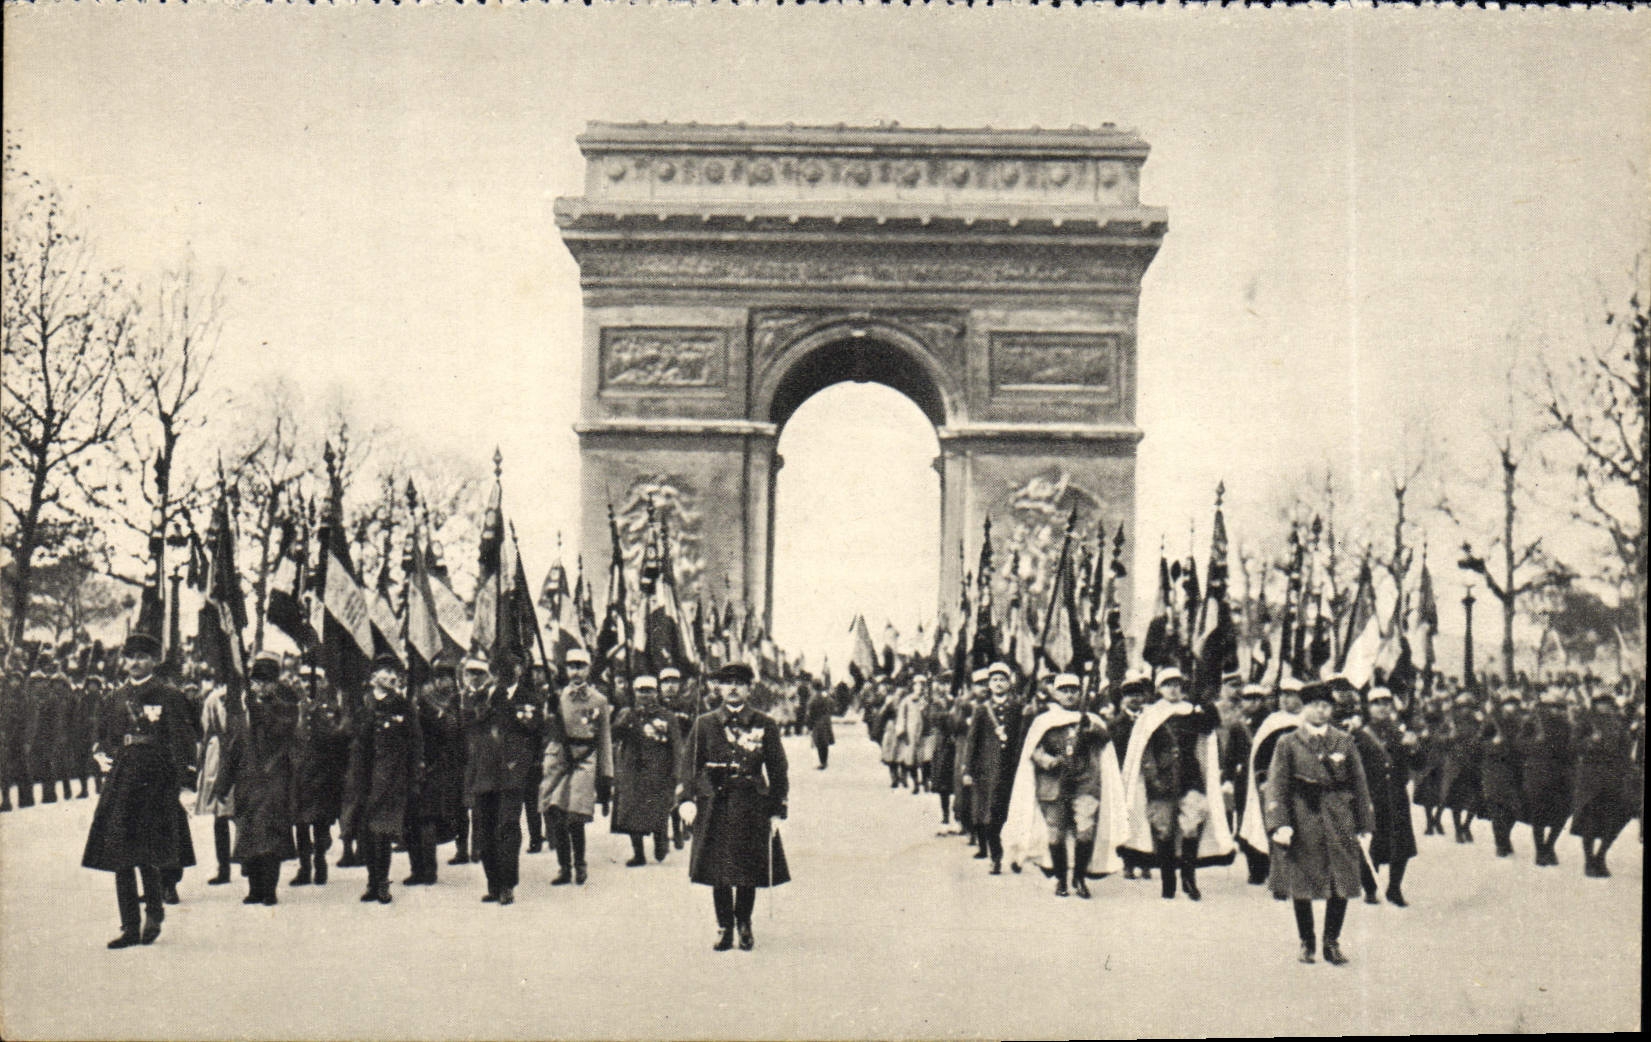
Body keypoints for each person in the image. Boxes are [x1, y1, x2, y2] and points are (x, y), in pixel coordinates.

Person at [81, 632, 198, 949]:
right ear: (123, 661)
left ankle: (154, 913)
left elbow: (182, 742)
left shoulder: (168, 695)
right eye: (130, 657)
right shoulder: (114, 698)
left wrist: (174, 781)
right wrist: (106, 764)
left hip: (155, 782)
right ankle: (129, 926)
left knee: (147, 852)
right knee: (120, 853)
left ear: (154, 660)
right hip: (122, 780)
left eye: (143, 657)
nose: (135, 663)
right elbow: (103, 739)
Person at [680, 662, 789, 952]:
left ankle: (744, 923)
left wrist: (778, 808)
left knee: (747, 868)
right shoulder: (705, 724)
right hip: (715, 803)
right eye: (726, 683)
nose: (732, 689)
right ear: (718, 688)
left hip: (751, 803)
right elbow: (689, 766)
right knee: (718, 869)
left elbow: (778, 769)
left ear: (749, 688)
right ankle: (724, 926)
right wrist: (687, 800)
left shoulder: (764, 724)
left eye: (740, 683)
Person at [1264, 681, 1374, 966]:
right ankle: (1307, 941)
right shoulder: (1287, 743)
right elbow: (1277, 785)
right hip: (1303, 817)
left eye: (1326, 706)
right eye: (1314, 705)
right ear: (1304, 708)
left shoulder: (1344, 741)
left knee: (1342, 879)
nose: (1320, 711)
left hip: (1339, 817)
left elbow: (1360, 784)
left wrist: (1365, 822)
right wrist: (1280, 823)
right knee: (1301, 880)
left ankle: (1331, 942)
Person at [1001, 673, 1126, 898]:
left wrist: (1092, 731)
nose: (1069, 694)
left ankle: (1079, 877)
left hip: (1085, 783)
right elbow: (1033, 751)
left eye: (1073, 690)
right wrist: (1049, 761)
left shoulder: (1091, 719)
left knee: (1085, 831)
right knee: (1055, 835)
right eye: (1064, 690)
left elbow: (1105, 742)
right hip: (1053, 784)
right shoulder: (1044, 721)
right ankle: (1060, 878)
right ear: (1055, 693)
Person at [1117, 667, 1234, 901]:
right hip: (1161, 779)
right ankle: (1168, 882)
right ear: (1159, 689)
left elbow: (1210, 728)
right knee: (1164, 830)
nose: (1173, 689)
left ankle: (1189, 880)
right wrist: (1152, 776)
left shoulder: (1191, 712)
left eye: (1177, 684)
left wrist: (1206, 705)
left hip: (1190, 778)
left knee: (1191, 825)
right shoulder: (1149, 716)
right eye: (1168, 684)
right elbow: (1144, 751)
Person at [216, 652, 299, 907]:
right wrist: (223, 783)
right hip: (247, 782)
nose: (261, 686)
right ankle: (254, 888)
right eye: (257, 682)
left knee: (270, 838)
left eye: (267, 682)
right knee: (248, 836)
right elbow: (233, 749)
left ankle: (269, 889)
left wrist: (260, 710)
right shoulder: (242, 714)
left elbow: (280, 730)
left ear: (276, 684)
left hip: (274, 780)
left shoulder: (286, 707)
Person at [465, 655, 541, 905]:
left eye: (512, 668)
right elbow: (472, 728)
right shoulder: (484, 697)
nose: (505, 674)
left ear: (520, 670)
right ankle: (493, 884)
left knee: (507, 827)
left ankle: (507, 883)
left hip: (513, 773)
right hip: (486, 772)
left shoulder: (528, 698)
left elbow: (531, 729)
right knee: (485, 829)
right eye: (499, 670)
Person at [351, 653, 422, 905]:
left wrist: (414, 777)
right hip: (364, 779)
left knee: (382, 831)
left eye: (394, 672)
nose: (391, 676)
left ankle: (382, 883)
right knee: (368, 833)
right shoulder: (363, 704)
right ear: (373, 678)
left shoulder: (403, 706)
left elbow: (415, 745)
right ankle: (372, 881)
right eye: (385, 672)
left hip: (392, 779)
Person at [539, 647, 613, 887]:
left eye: (581, 666)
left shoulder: (598, 700)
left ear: (589, 669)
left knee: (575, 815)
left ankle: (580, 864)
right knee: (556, 811)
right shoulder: (556, 696)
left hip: (584, 758)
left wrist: (606, 775)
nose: (576, 672)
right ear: (566, 669)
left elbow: (604, 739)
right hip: (560, 758)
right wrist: (549, 713)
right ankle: (564, 867)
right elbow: (546, 731)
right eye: (572, 666)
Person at [406, 655, 466, 886]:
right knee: (411, 819)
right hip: (412, 767)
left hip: (436, 767)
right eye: (438, 677)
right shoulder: (413, 705)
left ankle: (428, 870)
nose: (442, 682)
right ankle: (416, 869)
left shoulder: (447, 705)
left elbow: (451, 731)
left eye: (447, 677)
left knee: (426, 818)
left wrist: (430, 712)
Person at [611, 674, 683, 866]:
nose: (645, 695)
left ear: (656, 692)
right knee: (631, 813)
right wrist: (621, 720)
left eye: (649, 691)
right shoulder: (628, 715)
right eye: (641, 691)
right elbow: (614, 735)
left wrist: (676, 773)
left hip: (658, 772)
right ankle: (639, 853)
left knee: (658, 811)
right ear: (634, 693)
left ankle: (660, 842)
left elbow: (677, 747)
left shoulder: (667, 717)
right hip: (632, 772)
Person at [290, 662, 349, 887]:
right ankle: (305, 867)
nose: (307, 685)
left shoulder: (329, 708)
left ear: (322, 683)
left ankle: (320, 861)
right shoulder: (295, 707)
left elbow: (336, 737)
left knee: (320, 823)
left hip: (323, 774)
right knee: (301, 824)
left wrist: (320, 718)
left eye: (312, 681)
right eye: (304, 680)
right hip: (300, 773)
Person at [962, 663, 1025, 875]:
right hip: (987, 772)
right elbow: (972, 741)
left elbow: (1021, 738)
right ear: (989, 684)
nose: (999, 684)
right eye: (995, 680)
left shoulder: (1017, 708)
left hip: (1011, 770)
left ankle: (1017, 856)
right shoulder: (981, 709)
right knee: (991, 816)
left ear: (1009, 683)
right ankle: (995, 857)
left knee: (1013, 814)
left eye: (1002, 679)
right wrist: (967, 770)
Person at [1357, 688, 1418, 906]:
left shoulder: (1399, 733)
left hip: (1396, 796)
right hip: (1372, 796)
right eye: (1376, 703)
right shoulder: (1359, 734)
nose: (1382, 707)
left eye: (1386, 702)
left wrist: (1414, 747)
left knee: (1400, 844)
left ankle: (1394, 888)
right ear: (1368, 707)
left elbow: (1417, 765)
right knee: (1370, 844)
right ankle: (1370, 887)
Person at [1570, 690, 1637, 878]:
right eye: (1601, 703)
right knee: (1590, 820)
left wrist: (1628, 766)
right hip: (1590, 778)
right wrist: (1591, 741)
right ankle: (1589, 860)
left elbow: (1625, 748)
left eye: (1608, 703)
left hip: (1613, 777)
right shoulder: (1585, 721)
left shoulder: (1617, 723)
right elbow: (1573, 746)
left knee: (1614, 819)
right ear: (1595, 704)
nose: (1605, 706)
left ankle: (1601, 856)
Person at [194, 668, 243, 886]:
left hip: (222, 753)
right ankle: (236, 863)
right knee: (231, 813)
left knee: (223, 814)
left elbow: (206, 730)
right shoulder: (240, 697)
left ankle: (226, 867)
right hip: (230, 754)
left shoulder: (214, 698)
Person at [1517, 684, 1574, 867]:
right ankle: (1540, 850)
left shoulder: (1567, 726)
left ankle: (1549, 846)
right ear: (1547, 706)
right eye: (1554, 706)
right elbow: (1520, 744)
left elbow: (1571, 750)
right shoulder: (1533, 723)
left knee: (1562, 813)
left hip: (1561, 775)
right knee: (1539, 814)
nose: (1557, 710)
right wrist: (1537, 744)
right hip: (1538, 773)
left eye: (1560, 707)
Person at [1478, 690, 1527, 858]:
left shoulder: (1520, 722)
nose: (1512, 708)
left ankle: (1504, 837)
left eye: (1514, 705)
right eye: (1509, 704)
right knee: (1497, 807)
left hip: (1515, 769)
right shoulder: (1492, 720)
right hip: (1495, 768)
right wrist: (1494, 744)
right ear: (1503, 705)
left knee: (1513, 809)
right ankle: (1501, 843)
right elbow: (1479, 743)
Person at [805, 680, 836, 770]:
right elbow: (832, 704)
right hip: (826, 720)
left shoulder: (813, 698)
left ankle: (822, 762)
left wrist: (809, 725)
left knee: (819, 742)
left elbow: (810, 712)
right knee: (825, 742)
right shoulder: (825, 695)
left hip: (817, 721)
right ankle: (825, 761)